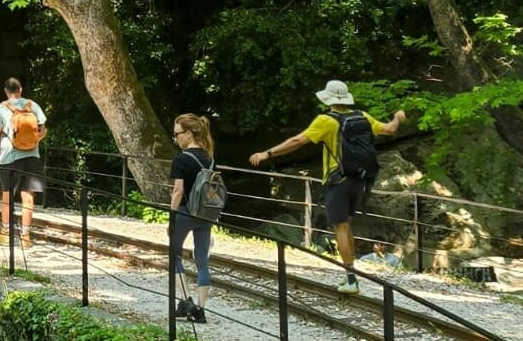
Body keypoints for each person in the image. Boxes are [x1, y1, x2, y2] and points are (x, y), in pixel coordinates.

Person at [250, 80, 405, 294]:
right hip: (360, 180)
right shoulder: (362, 116)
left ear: (328, 100)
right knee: (346, 224)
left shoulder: (326, 121)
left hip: (337, 180)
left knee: (339, 227)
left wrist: (267, 154)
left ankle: (351, 279)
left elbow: (297, 141)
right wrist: (398, 116)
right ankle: (351, 274)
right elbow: (389, 129)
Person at [0, 79, 47, 248]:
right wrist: (32, 142)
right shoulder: (32, 106)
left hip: (8, 158)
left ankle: (6, 233)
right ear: (20, 89)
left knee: (7, 195)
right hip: (32, 157)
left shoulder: (0, 109)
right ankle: (26, 237)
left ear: (6, 91)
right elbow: (43, 130)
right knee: (28, 196)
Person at [169, 114, 216, 324]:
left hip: (186, 211)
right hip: (205, 214)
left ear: (188, 134)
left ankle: (185, 300)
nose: (176, 137)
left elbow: (178, 191)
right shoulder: (209, 157)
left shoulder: (181, 158)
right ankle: (201, 309)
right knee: (202, 260)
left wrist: (172, 218)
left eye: (177, 133)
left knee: (174, 254)